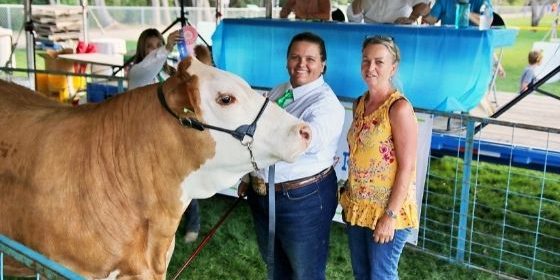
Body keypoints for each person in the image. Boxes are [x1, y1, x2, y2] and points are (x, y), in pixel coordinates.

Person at [237, 32, 345, 280]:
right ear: (286, 61)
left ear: (323, 65)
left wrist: (305, 134)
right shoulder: (279, 91)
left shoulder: (326, 104)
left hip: (302, 200)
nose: (301, 64)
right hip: (263, 195)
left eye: (310, 59)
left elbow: (313, 137)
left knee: (306, 272)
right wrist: (248, 177)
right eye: (295, 57)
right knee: (275, 266)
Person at [339, 35, 419, 280]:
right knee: (362, 274)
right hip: (359, 208)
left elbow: (407, 167)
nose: (370, 67)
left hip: (388, 211)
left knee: (381, 275)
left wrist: (390, 216)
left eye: (379, 62)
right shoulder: (359, 103)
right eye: (366, 61)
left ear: (393, 67)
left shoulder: (399, 108)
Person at [128, 28, 201, 243]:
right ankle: (146, 224)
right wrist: (166, 48)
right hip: (141, 137)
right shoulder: (137, 72)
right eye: (150, 46)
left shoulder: (168, 71)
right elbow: (146, 69)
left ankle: (192, 221)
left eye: (157, 45)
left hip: (168, 134)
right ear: (142, 50)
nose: (154, 50)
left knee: (181, 176)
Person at [346, 0, 430, 24]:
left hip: (399, 30)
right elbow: (354, 18)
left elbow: (424, 6)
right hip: (371, 30)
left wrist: (412, 18)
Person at [423, 0, 490, 26]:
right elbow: (432, 19)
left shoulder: (482, 1)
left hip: (474, 46)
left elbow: (487, 22)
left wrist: (465, 12)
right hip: (448, 42)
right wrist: (424, 14)